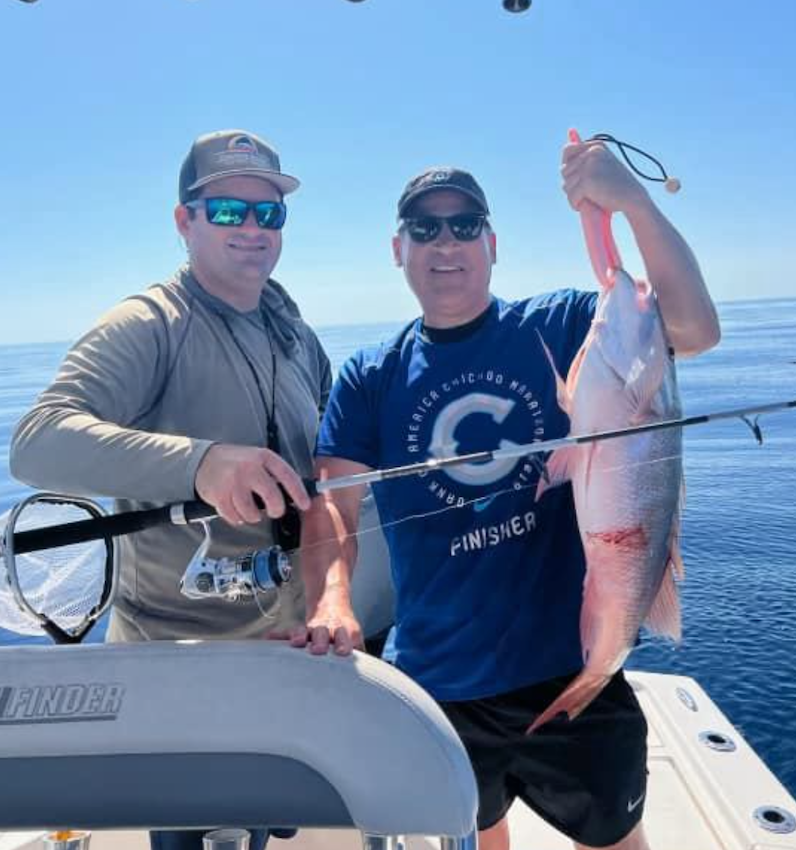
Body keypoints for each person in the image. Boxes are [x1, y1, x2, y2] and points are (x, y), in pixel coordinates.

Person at [294, 137, 721, 850]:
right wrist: (331, 598)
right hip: (439, 675)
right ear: (397, 249)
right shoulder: (371, 374)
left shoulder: (557, 323)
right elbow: (332, 504)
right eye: (424, 228)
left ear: (492, 244)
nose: (445, 242)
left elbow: (693, 328)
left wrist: (633, 201)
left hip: (567, 656)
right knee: (478, 835)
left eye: (464, 225)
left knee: (615, 838)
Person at [10, 129, 331, 850]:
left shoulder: (297, 336)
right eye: (227, 211)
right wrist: (203, 464)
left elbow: (334, 470)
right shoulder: (150, 323)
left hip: (288, 646)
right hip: (177, 657)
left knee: (276, 817)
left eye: (268, 213)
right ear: (185, 221)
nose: (251, 229)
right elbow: (38, 441)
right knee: (182, 830)